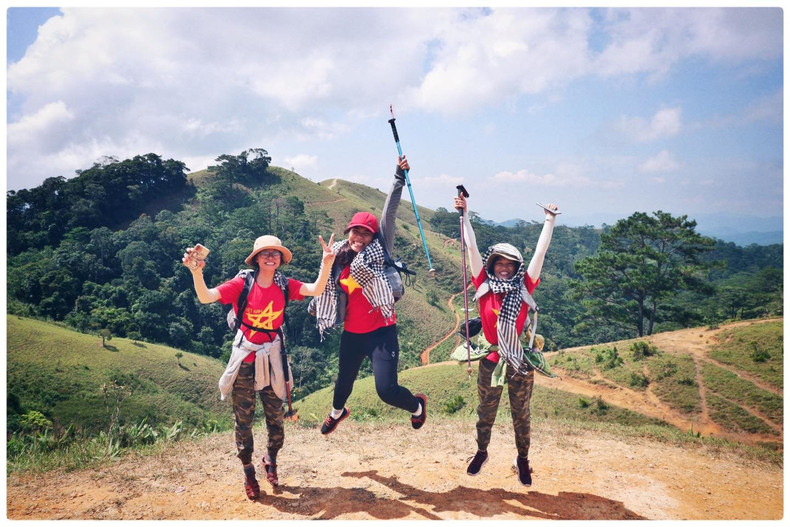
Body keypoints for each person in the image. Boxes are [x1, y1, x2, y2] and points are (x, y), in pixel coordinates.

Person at [182, 233, 335, 500]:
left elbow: (316, 289)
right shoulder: (242, 283)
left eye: (275, 252)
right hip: (246, 359)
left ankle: (270, 459)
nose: (271, 256)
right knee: (244, 422)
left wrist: (327, 263)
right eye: (265, 252)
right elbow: (206, 297)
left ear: (280, 259)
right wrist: (196, 272)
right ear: (256, 258)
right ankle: (249, 472)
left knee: (276, 419)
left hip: (273, 355)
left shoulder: (284, 284)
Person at [310, 156, 427, 435]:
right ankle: (337, 413)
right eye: (355, 232)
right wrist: (327, 263)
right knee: (343, 382)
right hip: (352, 332)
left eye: (366, 233)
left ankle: (418, 406)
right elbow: (323, 286)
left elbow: (389, 213)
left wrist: (398, 177)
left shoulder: (379, 250)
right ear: (348, 232)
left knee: (386, 390)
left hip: (381, 332)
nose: (359, 237)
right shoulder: (338, 256)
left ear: (374, 236)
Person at [453, 192, 558, 487]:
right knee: (485, 411)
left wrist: (549, 221)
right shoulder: (483, 285)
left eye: (510, 264)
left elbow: (540, 254)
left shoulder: (524, 287)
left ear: (516, 268)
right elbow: (471, 246)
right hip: (491, 359)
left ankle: (523, 460)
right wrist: (465, 215)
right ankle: (482, 452)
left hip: (519, 362)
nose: (504, 266)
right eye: (499, 261)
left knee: (521, 414)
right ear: (491, 264)